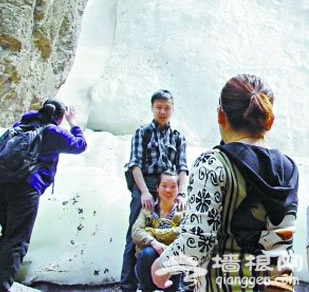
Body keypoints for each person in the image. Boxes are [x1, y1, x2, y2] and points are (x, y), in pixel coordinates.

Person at [151, 74, 299, 292]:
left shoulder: (211, 164)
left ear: (221, 114)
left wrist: (160, 267)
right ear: (269, 119)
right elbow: (283, 240)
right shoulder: (287, 167)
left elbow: (197, 243)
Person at [0, 98, 87, 292]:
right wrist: (73, 122)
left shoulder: (21, 125)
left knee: (5, 236)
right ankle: (0, 287)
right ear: (59, 117)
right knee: (16, 240)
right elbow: (80, 145)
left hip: (0, 185)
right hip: (26, 189)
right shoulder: (52, 131)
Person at [120, 89, 189, 292]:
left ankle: (175, 284)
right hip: (147, 184)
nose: (162, 111)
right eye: (159, 107)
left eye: (167, 107)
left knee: (178, 233)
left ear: (172, 109)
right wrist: (143, 192)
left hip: (170, 184)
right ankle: (128, 285)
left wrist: (182, 193)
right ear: (152, 108)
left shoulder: (178, 137)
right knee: (134, 233)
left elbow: (182, 167)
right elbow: (135, 164)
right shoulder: (143, 132)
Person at [132, 170, 184, 292]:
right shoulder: (148, 210)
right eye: (164, 186)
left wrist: (151, 231)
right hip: (149, 258)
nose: (168, 190)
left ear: (178, 190)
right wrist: (154, 243)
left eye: (172, 187)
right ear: (157, 188)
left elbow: (184, 232)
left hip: (173, 258)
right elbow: (136, 231)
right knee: (147, 253)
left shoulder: (182, 212)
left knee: (174, 253)